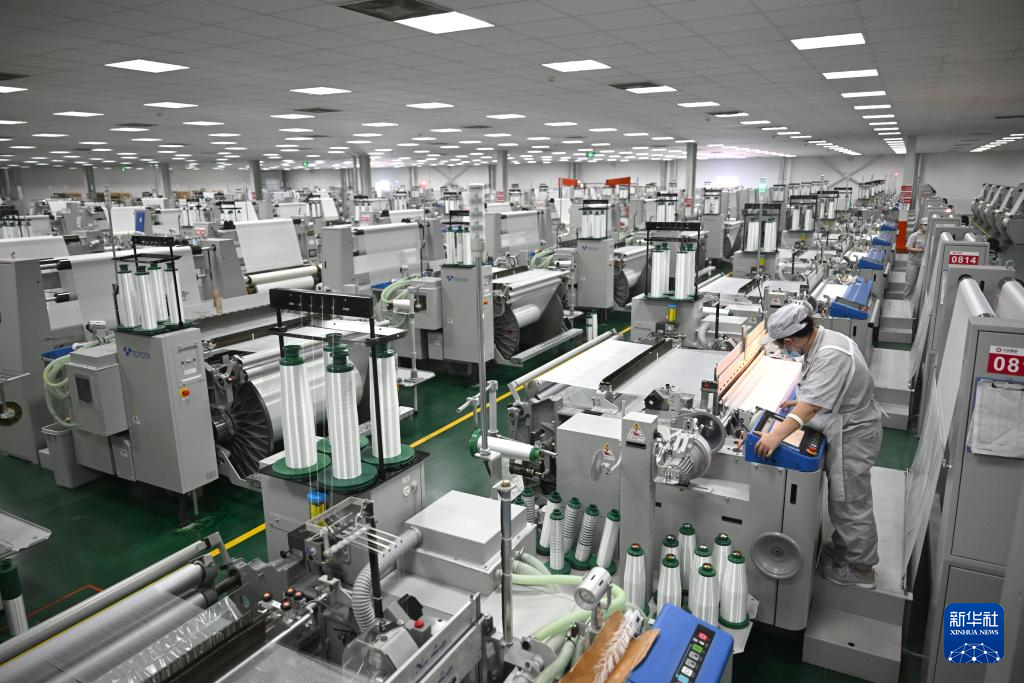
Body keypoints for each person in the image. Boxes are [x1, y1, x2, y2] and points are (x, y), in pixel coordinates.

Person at [753, 302, 882, 588]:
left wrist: (775, 435)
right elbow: (819, 394)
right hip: (844, 423)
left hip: (854, 433)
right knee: (843, 498)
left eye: (781, 345)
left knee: (850, 501)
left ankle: (861, 570)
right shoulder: (822, 340)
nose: (783, 349)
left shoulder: (830, 354)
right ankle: (845, 550)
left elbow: (811, 408)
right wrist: (801, 403)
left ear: (789, 341)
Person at [904, 220, 927, 298]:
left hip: (923, 264)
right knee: (910, 283)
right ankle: (906, 299)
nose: (926, 226)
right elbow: (908, 248)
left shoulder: (929, 236)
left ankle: (914, 301)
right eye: (925, 224)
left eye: (927, 225)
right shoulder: (914, 236)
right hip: (913, 263)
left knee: (920, 285)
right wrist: (921, 250)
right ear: (920, 225)